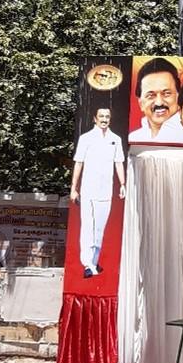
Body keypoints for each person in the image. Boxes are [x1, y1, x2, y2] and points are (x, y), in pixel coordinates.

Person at [70, 107, 127, 278]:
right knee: (88, 226)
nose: (104, 119)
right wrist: (74, 188)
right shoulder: (86, 138)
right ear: (95, 118)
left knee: (100, 229)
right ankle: (87, 263)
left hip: (106, 191)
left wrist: (122, 184)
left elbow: (118, 163)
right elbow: (78, 163)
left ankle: (94, 262)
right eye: (101, 116)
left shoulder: (115, 139)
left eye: (107, 116)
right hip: (88, 191)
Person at [129, 57, 180, 143]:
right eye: (151, 95)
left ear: (179, 97)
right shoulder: (133, 138)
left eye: (166, 93)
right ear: (141, 104)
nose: (159, 103)